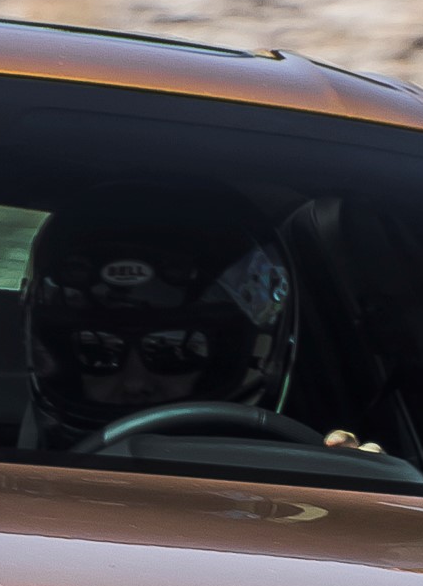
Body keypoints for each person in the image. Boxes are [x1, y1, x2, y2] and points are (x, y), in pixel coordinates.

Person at [21, 187, 302, 442]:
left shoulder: (283, 467)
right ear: (64, 361)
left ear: (224, 362)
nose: (135, 383)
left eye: (173, 352)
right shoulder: (13, 471)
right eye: (97, 352)